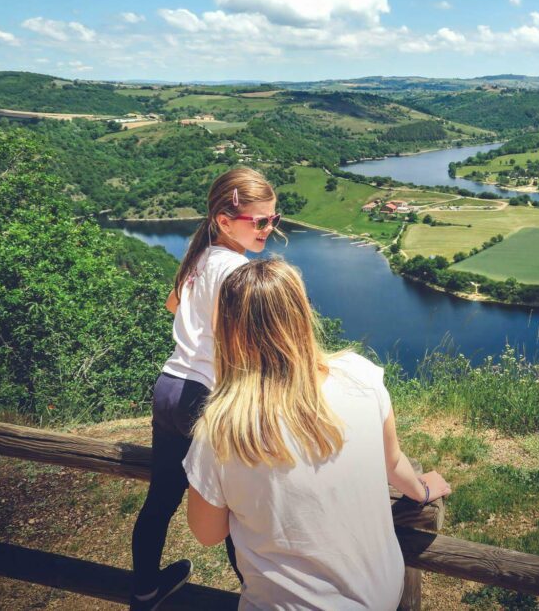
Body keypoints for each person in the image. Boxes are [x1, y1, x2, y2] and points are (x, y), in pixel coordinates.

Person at [183, 259, 451, 610]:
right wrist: (423, 489)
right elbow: (393, 460)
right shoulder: (361, 376)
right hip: (381, 596)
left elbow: (207, 533)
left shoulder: (221, 429)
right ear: (301, 313)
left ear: (230, 331)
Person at [130, 168, 282, 611]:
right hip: (208, 398)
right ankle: (262, 599)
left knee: (159, 501)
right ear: (223, 219)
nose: (269, 229)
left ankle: (144, 592)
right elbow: (247, 345)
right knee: (237, 512)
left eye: (274, 219)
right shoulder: (237, 271)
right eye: (260, 221)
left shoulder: (199, 257)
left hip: (170, 387)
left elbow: (172, 305)